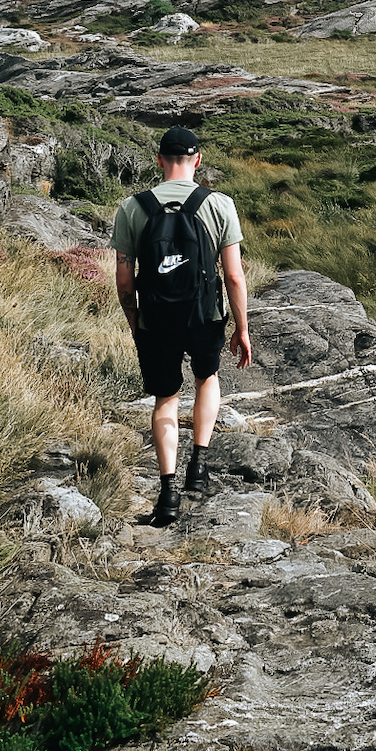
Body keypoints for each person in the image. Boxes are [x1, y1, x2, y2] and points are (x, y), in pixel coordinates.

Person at [112, 125, 250, 526]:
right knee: (207, 379)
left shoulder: (132, 208)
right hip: (204, 316)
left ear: (159, 160)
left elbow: (124, 280)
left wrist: (136, 321)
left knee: (165, 399)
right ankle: (199, 465)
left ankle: (168, 492)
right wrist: (241, 328)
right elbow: (235, 277)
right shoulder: (219, 204)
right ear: (198, 161)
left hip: (155, 319)